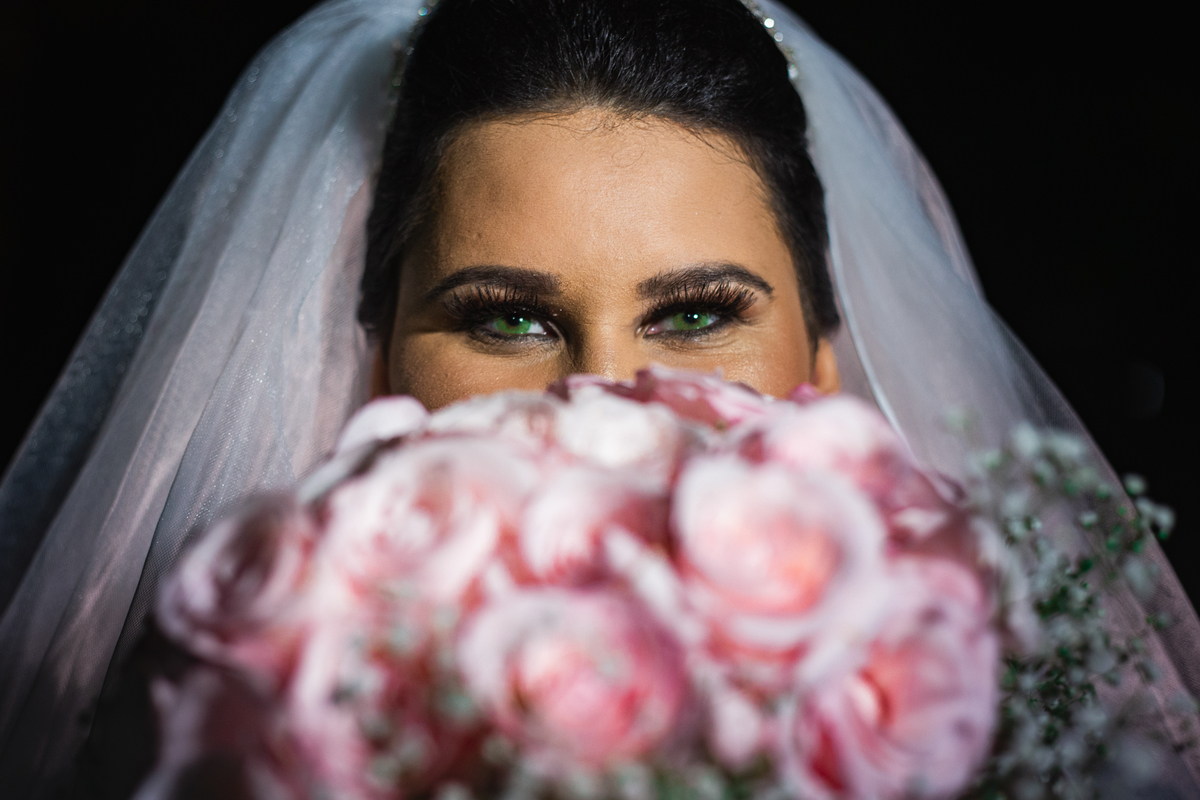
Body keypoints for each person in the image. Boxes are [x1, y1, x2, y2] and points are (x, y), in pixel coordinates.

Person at [0, 0, 1196, 797]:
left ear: (826, 358)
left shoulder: (999, 705)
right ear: (371, 361)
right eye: (504, 318)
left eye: (697, 312)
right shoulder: (235, 719)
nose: (606, 398)